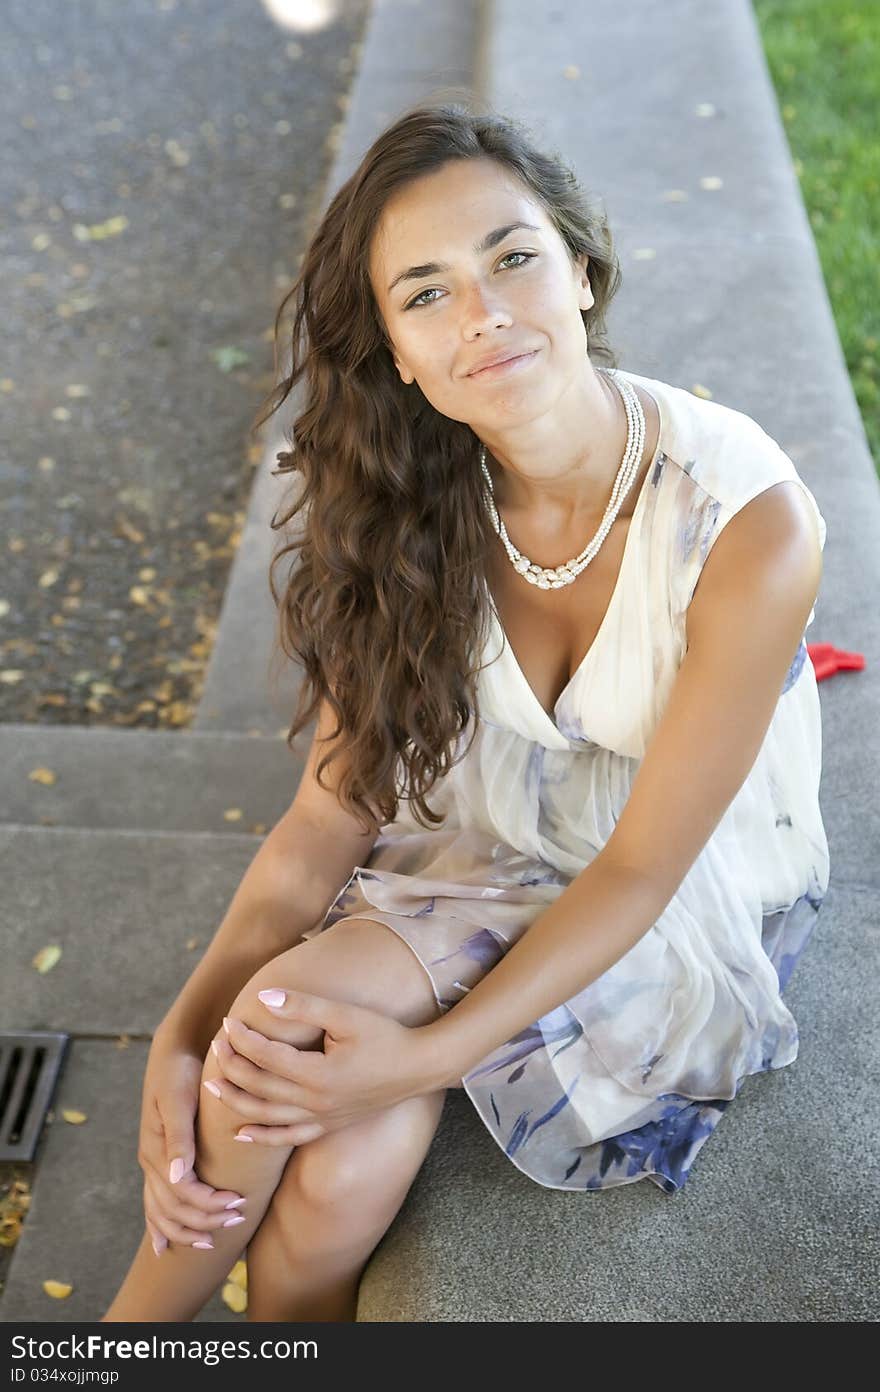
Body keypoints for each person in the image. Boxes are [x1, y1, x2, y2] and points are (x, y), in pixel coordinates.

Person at [101, 101, 829, 1323]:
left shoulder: (747, 525)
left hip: (673, 891)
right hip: (495, 843)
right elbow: (324, 821)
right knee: (340, 1165)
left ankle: (119, 1344)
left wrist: (423, 1056)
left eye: (511, 257)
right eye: (425, 292)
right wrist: (175, 1036)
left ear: (582, 273)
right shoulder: (413, 499)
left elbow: (646, 865)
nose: (482, 312)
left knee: (280, 1030)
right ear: (392, 348)